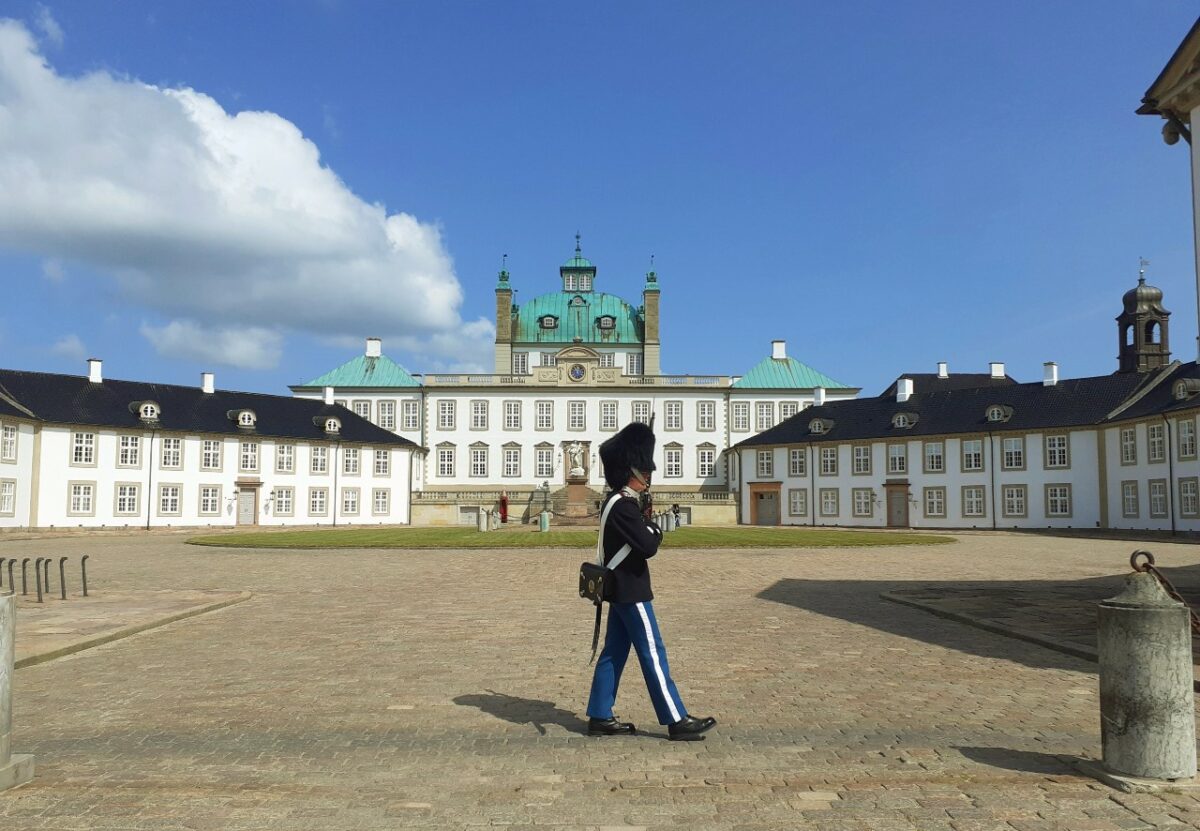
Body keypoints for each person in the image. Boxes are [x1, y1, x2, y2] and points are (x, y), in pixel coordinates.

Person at [585, 422, 716, 741]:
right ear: (632, 472)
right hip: (631, 590)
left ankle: (600, 714)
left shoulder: (616, 502)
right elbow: (648, 545)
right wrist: (654, 528)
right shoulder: (625, 507)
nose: (648, 476)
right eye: (644, 470)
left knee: (614, 653)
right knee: (653, 652)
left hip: (620, 588)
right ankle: (675, 717)